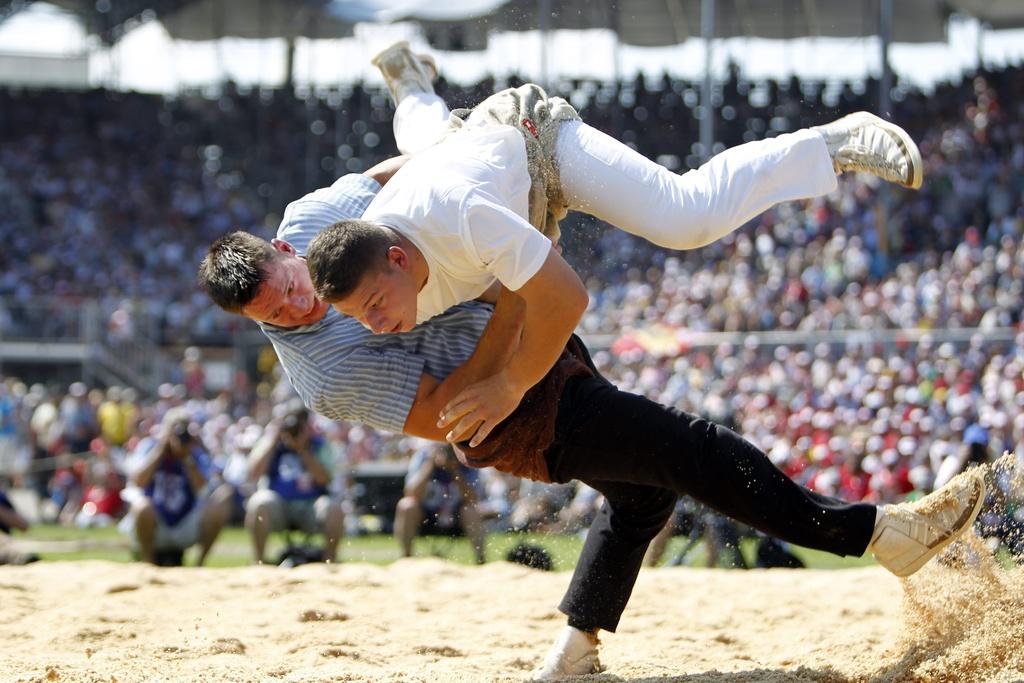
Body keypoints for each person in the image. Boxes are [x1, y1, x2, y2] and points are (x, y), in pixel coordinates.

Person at [198, 43, 985, 680]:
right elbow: (450, 412)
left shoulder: (341, 225)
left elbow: (517, 270)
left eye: (295, 287)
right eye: (284, 315)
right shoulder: (327, 358)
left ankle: (828, 142)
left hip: (527, 154)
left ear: (287, 248)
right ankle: (578, 650)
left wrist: (522, 285)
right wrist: (517, 305)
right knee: (648, 488)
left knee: (684, 218)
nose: (305, 308)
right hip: (508, 356)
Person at [304, 44, 923, 445]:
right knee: (425, 139)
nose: (376, 325)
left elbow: (567, 298)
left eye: (374, 305)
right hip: (460, 162)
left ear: (397, 259)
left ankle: (833, 142)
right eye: (360, 317)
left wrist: (512, 384)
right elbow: (397, 172)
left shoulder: (460, 217)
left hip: (537, 143)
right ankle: (410, 81)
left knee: (687, 217)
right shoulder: (380, 250)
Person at [121, 408, 231, 566]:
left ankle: (199, 564)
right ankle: (148, 563)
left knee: (217, 508)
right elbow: (138, 480)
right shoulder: (149, 446)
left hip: (185, 522)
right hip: (156, 521)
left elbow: (201, 487)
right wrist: (161, 449)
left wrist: (186, 457)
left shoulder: (195, 452)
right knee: (141, 507)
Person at [245, 399, 344, 565]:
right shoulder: (272, 444)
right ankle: (259, 562)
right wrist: (274, 439)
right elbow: (254, 473)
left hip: (310, 507)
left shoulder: (319, 445)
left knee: (333, 508)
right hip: (279, 506)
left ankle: (330, 562)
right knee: (259, 502)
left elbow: (325, 479)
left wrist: (303, 450)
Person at [394, 442, 486, 564]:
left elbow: (472, 498)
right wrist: (430, 465)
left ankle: (480, 559)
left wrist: (455, 471)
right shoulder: (423, 457)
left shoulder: (467, 459)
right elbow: (411, 493)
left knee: (471, 510)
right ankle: (406, 558)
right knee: (406, 505)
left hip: (456, 515)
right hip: (426, 514)